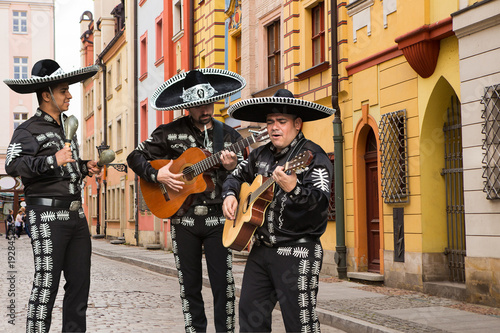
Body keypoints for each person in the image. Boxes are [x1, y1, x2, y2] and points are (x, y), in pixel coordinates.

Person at [127, 68, 246, 332]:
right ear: (187, 107)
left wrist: (232, 165)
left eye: (209, 104)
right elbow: (134, 157)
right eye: (198, 106)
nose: (205, 110)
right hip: (184, 220)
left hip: (219, 219)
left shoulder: (227, 136)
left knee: (223, 286)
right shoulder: (168, 133)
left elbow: (245, 172)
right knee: (189, 285)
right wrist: (158, 175)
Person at [222, 89, 334, 332]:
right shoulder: (259, 155)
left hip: (298, 251)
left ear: (297, 124)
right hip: (261, 252)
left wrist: (294, 189)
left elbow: (321, 204)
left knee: (300, 324)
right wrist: (230, 195)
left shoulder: (314, 156)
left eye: (281, 122)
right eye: (270, 122)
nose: (274, 127)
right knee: (251, 319)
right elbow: (234, 176)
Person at [4, 59, 101, 332]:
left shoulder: (66, 127)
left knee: (80, 285)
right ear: (46, 95)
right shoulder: (27, 130)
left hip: (76, 216)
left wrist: (83, 167)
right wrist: (51, 161)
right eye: (63, 90)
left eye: (68, 90)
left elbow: (65, 169)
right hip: (45, 215)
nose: (69, 95)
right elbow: (14, 166)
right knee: (46, 284)